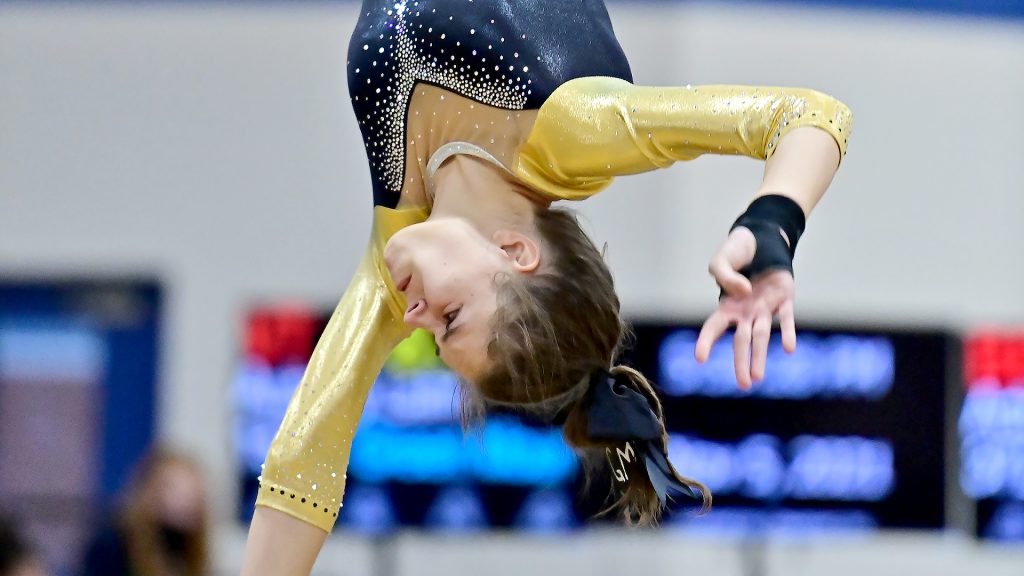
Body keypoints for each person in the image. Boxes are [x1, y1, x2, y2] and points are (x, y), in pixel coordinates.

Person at [243, 1, 851, 573]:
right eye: (450, 317)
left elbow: (301, 463)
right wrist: (773, 223)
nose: (412, 316)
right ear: (515, 252)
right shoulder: (569, 134)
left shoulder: (394, 256)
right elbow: (808, 116)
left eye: (434, 336)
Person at [81, 447, 209, 576]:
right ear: (150, 491)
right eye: (175, 489)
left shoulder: (184, 550)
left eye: (191, 493)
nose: (185, 500)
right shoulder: (112, 545)